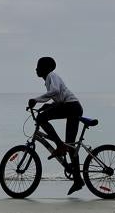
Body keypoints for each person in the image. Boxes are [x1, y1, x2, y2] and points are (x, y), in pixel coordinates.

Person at [27, 56, 85, 195]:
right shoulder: (50, 79)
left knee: (41, 119)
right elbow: (58, 97)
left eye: (39, 66)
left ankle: (59, 145)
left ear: (46, 68)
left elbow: (55, 92)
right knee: (71, 145)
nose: (36, 69)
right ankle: (78, 180)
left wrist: (36, 100)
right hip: (73, 107)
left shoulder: (51, 76)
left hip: (71, 106)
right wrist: (47, 105)